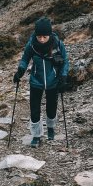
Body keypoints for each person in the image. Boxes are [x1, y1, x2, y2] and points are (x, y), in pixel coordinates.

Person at [13, 17, 70, 148]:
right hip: (36, 81)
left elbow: (65, 61)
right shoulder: (32, 44)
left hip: (53, 81)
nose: (42, 39)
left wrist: (63, 77)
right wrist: (20, 71)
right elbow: (25, 58)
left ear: (49, 34)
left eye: (44, 36)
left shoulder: (57, 44)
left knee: (51, 107)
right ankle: (36, 136)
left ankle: (50, 128)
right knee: (34, 109)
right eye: (39, 36)